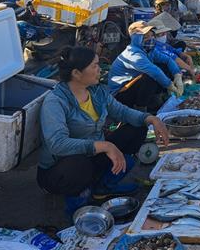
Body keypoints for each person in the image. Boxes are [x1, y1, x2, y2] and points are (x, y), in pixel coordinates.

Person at [37, 46, 169, 215]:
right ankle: (78, 206)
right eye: (94, 66)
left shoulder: (97, 92)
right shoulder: (56, 102)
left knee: (136, 129)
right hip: (59, 170)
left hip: (91, 157)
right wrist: (105, 146)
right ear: (77, 73)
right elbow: (58, 144)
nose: (99, 69)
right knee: (79, 165)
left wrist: (150, 118)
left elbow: (122, 112)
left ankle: (102, 188)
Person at [108, 21, 183, 111]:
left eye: (151, 36)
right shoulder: (133, 54)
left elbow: (168, 60)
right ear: (136, 38)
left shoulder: (149, 50)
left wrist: (177, 75)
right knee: (150, 76)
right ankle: (140, 108)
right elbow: (154, 71)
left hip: (133, 86)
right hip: (119, 94)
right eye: (146, 37)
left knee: (163, 66)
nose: (150, 39)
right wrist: (169, 85)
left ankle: (156, 99)